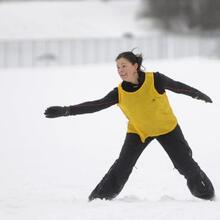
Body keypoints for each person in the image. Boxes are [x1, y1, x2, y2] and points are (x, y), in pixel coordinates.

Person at [44, 51, 215, 201]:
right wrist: (66, 111)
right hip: (138, 132)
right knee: (122, 166)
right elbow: (96, 105)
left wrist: (198, 95)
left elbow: (178, 87)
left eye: (124, 66)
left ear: (135, 66)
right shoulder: (119, 92)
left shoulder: (155, 79)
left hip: (167, 128)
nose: (120, 70)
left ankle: (206, 195)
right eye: (118, 67)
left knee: (185, 164)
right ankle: (99, 198)